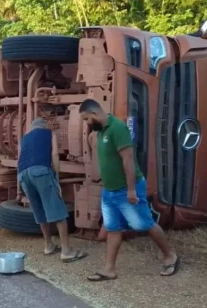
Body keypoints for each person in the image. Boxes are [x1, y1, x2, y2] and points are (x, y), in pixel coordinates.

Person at [79, 99, 179, 281]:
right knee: (113, 228)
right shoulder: (100, 132)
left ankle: (170, 255)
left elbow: (128, 159)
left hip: (126, 189)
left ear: (94, 114)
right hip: (109, 191)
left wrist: (131, 190)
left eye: (86, 119)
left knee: (145, 224)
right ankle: (109, 270)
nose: (87, 123)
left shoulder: (117, 128)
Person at [17, 118, 87, 262]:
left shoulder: (24, 139)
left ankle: (48, 245)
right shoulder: (50, 133)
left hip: (23, 175)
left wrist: (19, 183)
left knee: (39, 210)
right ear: (44, 126)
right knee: (57, 211)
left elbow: (20, 158)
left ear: (32, 128)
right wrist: (56, 178)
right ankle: (66, 251)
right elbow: (55, 155)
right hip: (41, 172)